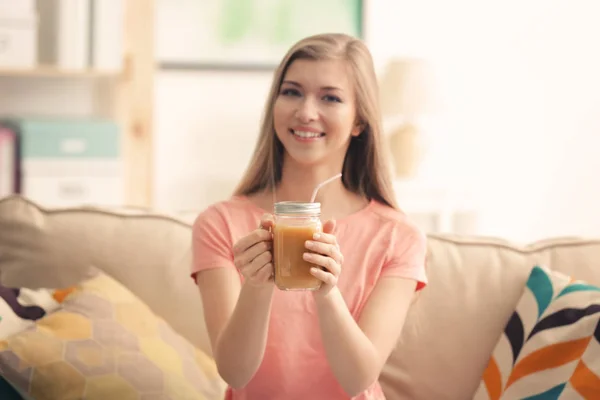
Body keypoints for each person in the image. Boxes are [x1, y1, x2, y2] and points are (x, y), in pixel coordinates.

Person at [191, 33, 428, 400]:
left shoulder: (399, 236)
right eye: (292, 92)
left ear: (359, 121)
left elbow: (357, 380)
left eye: (330, 97)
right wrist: (256, 285)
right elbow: (236, 373)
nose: (305, 111)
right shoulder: (220, 224)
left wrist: (327, 293)